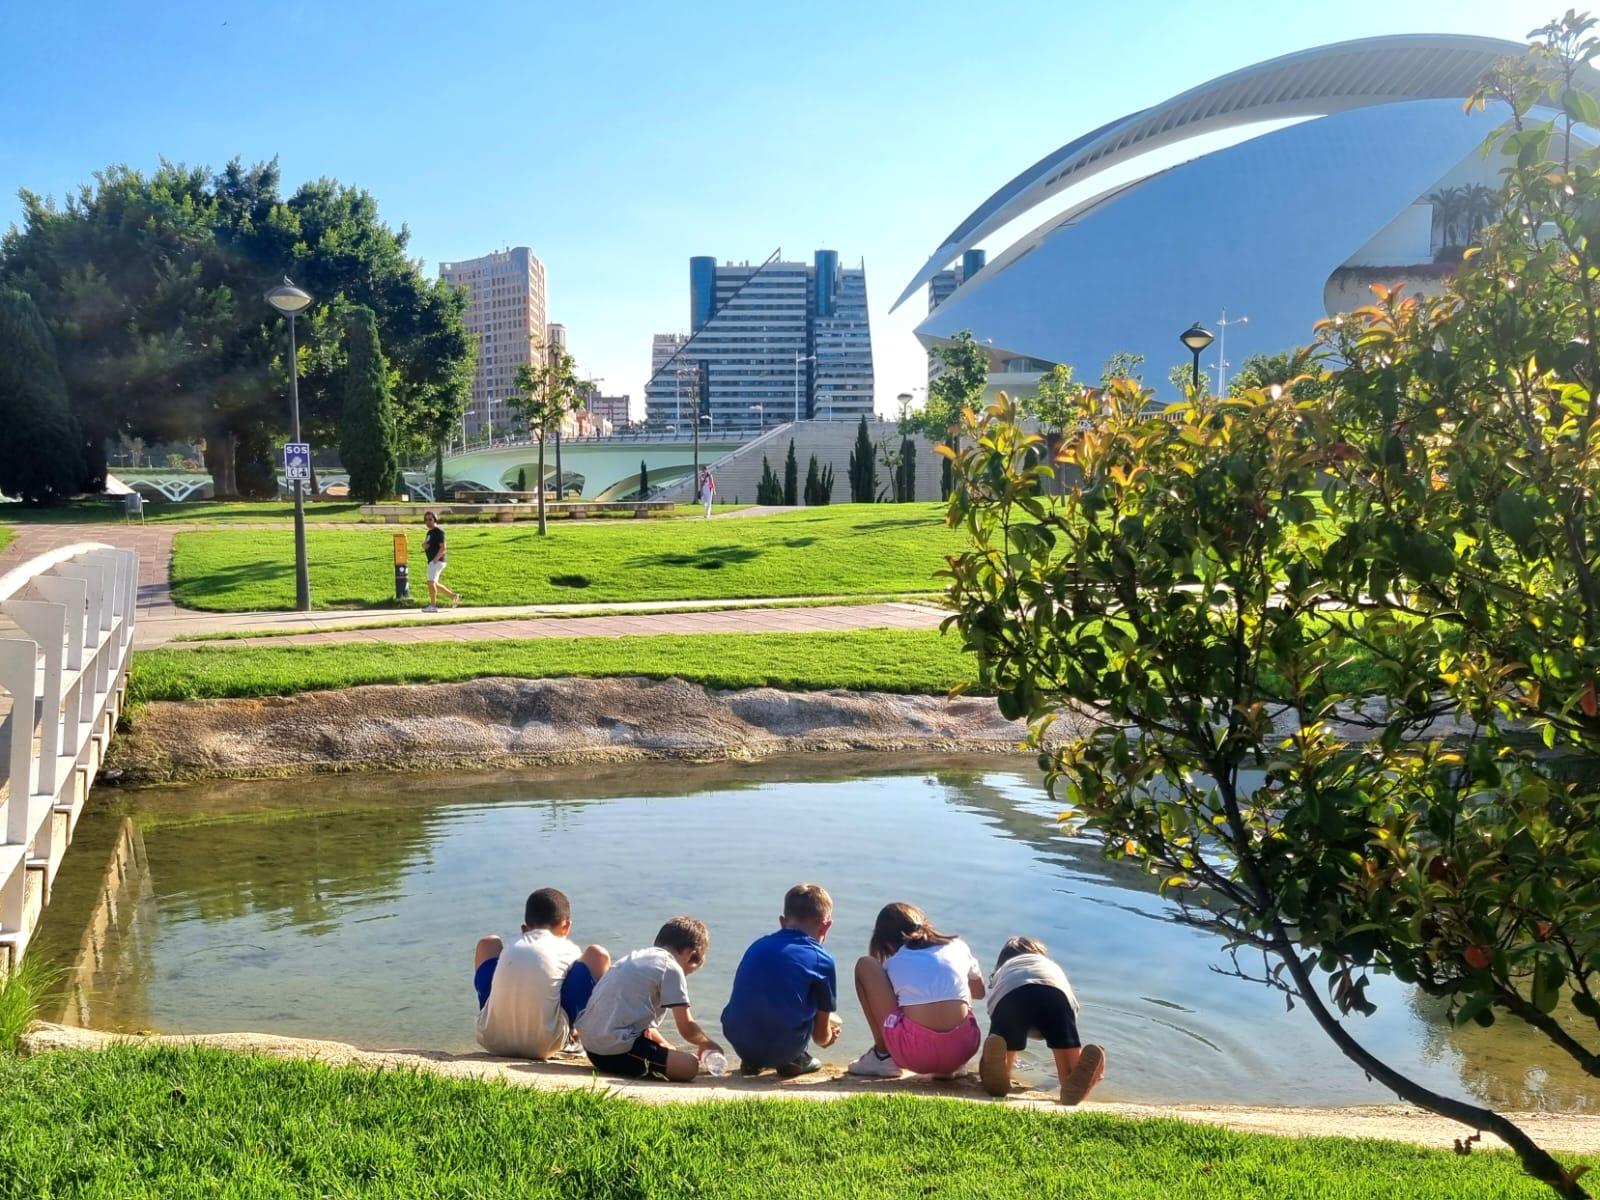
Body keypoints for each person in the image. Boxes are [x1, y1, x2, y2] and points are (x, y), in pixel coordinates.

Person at [575, 915, 725, 1081]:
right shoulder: (671, 968)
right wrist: (706, 1043)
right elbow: (686, 1027)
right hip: (613, 1052)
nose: (685, 976)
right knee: (689, 1067)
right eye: (688, 972)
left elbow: (641, 1022)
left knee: (669, 1052)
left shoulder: (639, 958)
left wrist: (664, 1045)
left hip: (591, 1046)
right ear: (690, 955)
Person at [846, 902, 984, 1079]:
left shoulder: (894, 962)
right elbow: (978, 992)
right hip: (963, 1049)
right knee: (961, 985)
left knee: (865, 965)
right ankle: (950, 1067)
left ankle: (882, 1057)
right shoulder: (958, 946)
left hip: (915, 1055)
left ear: (885, 942)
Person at [473, 887, 611, 1060]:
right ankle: (575, 1035)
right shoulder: (567, 949)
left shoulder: (512, 944)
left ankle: (497, 1018)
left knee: (488, 943)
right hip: (546, 1045)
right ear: (566, 926)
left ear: (524, 929)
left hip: (492, 1039)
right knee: (598, 955)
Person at [720, 883, 842, 1078]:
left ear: (782, 921)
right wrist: (829, 1038)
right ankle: (793, 1059)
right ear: (826, 925)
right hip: (784, 1048)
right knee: (810, 1002)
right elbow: (820, 1037)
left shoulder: (757, 946)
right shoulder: (822, 960)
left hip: (740, 1041)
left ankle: (753, 1061)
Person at [978, 936, 1106, 1104]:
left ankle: (1002, 1072)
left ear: (1001, 962)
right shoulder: (1050, 967)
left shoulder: (1004, 971)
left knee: (1000, 1055)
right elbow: (1071, 1006)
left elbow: (994, 1007)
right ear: (1042, 955)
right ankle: (1072, 1078)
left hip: (1011, 995)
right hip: (1055, 996)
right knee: (1069, 1067)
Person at [421, 510, 461, 613]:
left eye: (430, 519)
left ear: (435, 519)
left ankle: (433, 606)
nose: (428, 522)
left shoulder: (439, 531)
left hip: (437, 561)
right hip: (432, 560)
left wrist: (435, 559)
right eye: (426, 520)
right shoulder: (429, 532)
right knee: (434, 584)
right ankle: (454, 596)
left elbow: (443, 548)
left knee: (431, 583)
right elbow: (426, 545)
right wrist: (424, 546)